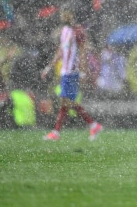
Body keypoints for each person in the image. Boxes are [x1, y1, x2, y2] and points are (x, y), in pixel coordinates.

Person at [41, 8, 102, 141]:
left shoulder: (77, 31)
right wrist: (49, 67)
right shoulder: (64, 31)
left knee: (67, 101)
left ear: (72, 15)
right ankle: (92, 125)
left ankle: (58, 132)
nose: (64, 17)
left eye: (66, 14)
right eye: (63, 14)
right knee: (66, 102)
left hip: (72, 71)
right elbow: (61, 50)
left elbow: (82, 52)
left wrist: (83, 71)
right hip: (65, 70)